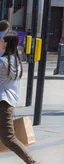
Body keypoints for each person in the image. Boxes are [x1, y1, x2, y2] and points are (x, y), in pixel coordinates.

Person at [0, 28, 39, 164]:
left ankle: (33, 162)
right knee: (7, 137)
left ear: (6, 43)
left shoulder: (3, 63)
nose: (0, 41)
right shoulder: (15, 60)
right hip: (8, 102)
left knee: (8, 138)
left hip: (3, 103)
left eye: (2, 40)